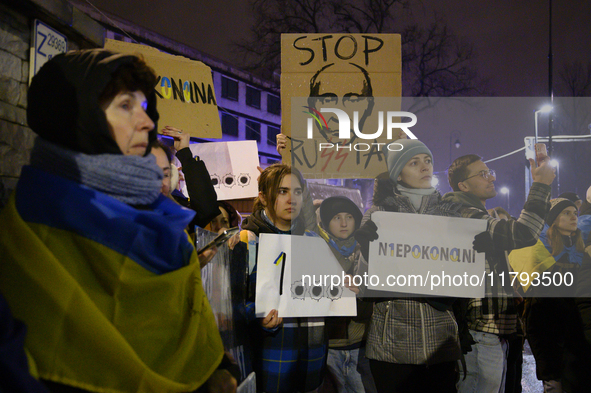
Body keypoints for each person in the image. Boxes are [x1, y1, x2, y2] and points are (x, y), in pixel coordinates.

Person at [0, 49, 236, 392]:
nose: (147, 122)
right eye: (125, 106)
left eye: (143, 107)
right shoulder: (33, 226)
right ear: (78, 117)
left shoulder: (157, 213)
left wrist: (214, 368)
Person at [354, 139, 462, 393]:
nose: (425, 167)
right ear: (398, 173)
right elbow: (363, 283)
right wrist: (370, 255)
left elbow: (462, 278)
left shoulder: (450, 213)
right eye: (414, 162)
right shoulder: (379, 214)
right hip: (392, 344)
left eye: (428, 161)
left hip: (440, 342)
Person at [444, 154, 554, 393]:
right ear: (463, 185)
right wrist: (541, 186)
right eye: (482, 174)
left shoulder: (477, 213)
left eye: (490, 172)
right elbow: (524, 232)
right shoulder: (464, 213)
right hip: (479, 329)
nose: (491, 178)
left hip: (492, 326)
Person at [240, 163, 327, 393]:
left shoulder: (313, 240)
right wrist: (258, 316)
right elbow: (231, 301)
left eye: (297, 192)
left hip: (313, 359)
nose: (292, 199)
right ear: (263, 197)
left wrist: (342, 287)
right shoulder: (248, 240)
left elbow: (326, 293)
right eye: (282, 191)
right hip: (272, 356)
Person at [509, 198, 591, 392]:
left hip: (576, 334)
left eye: (575, 213)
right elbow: (539, 306)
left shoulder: (582, 250)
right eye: (566, 213)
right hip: (549, 331)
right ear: (553, 219)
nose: (573, 217)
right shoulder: (539, 251)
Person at [306, 196, 376, 393]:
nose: (344, 223)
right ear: (326, 221)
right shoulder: (317, 247)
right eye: (337, 217)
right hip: (329, 344)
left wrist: (362, 290)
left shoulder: (368, 250)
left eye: (349, 217)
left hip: (361, 345)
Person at [160, 125, 221, 229]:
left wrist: (185, 154)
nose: (163, 183)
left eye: (165, 175)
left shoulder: (176, 209)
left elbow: (206, 210)